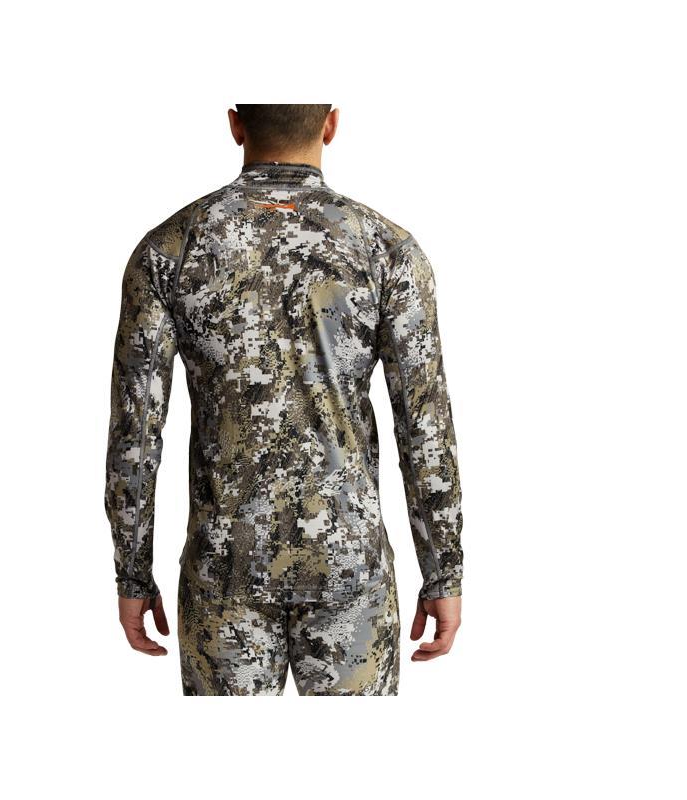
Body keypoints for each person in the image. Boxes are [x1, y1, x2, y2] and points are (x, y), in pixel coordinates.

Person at [104, 104, 464, 695]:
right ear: (331, 124)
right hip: (350, 570)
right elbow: (424, 425)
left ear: (235, 124)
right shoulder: (387, 250)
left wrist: (132, 573)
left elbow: (135, 432)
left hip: (225, 572)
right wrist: (443, 572)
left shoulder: (170, 249)